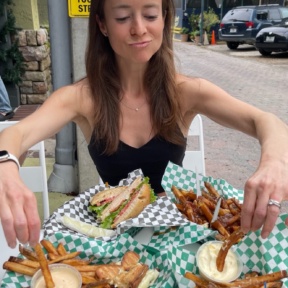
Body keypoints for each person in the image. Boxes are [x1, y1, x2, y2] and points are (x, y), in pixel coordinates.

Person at [0, 0, 287, 249]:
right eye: (123, 17)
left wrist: (274, 162)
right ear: (102, 24)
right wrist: (6, 166)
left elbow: (266, 121)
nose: (139, 29)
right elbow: (17, 134)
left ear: (164, 19)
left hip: (179, 240)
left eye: (150, 15)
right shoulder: (81, 98)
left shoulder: (188, 91)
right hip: (113, 247)